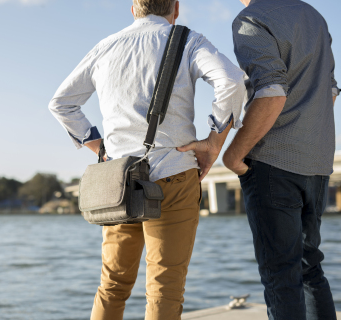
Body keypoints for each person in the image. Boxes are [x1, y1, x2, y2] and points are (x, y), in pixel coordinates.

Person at [49, 1, 246, 319]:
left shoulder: (105, 46)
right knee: (164, 290)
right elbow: (232, 81)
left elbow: (61, 104)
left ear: (133, 9)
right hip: (174, 175)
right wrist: (213, 141)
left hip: (120, 181)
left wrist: (100, 149)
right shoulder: (188, 40)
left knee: (112, 286)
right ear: (176, 8)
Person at [223, 1, 339, 319]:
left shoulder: (251, 18)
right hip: (316, 159)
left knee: (281, 278)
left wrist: (233, 154)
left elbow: (272, 90)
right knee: (309, 268)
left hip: (274, 162)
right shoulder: (313, 16)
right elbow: (330, 90)